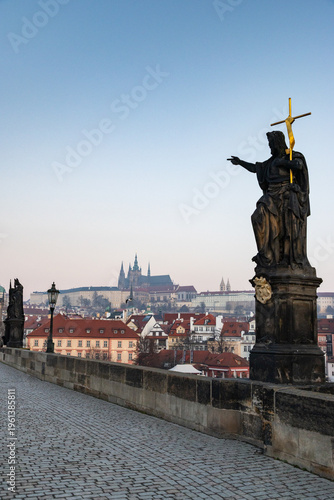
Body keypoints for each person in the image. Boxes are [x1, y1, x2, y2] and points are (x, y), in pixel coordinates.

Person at [228, 131, 311, 269]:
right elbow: (256, 168)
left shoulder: (292, 155)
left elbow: (299, 165)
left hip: (286, 194)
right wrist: (240, 162)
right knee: (257, 216)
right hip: (271, 195)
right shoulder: (270, 162)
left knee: (288, 228)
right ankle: (266, 254)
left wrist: (283, 162)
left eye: (271, 144)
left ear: (277, 143)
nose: (270, 147)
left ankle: (287, 258)